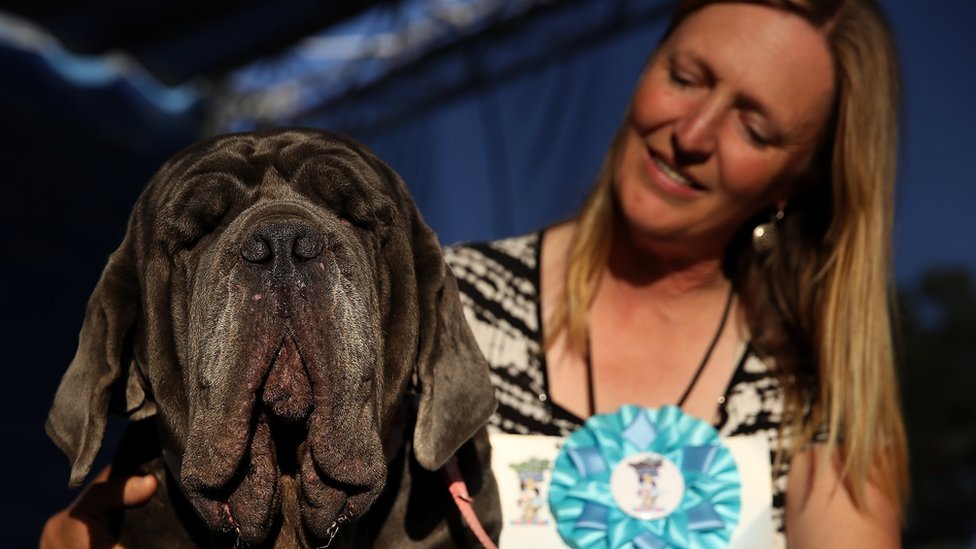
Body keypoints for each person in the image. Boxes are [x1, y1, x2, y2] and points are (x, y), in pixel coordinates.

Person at [42, 0, 908, 547]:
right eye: (686, 76)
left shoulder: (827, 391)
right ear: (646, 69)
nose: (695, 131)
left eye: (755, 126)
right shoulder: (425, 295)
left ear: (800, 180)